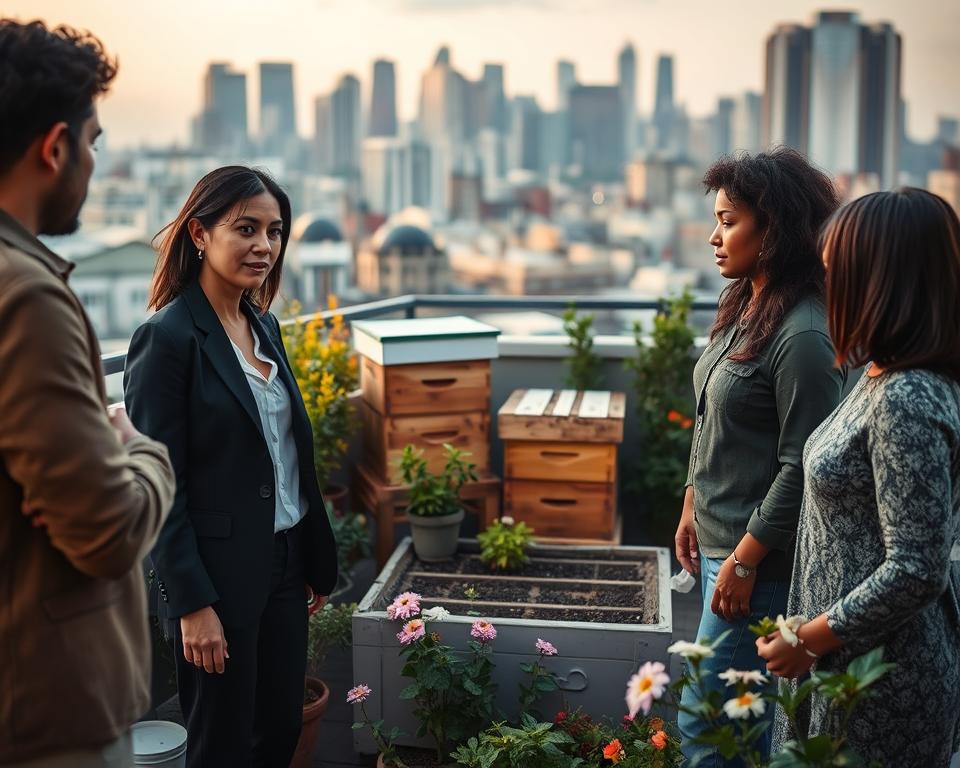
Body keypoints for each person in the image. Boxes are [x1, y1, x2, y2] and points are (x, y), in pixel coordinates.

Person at [0, 19, 176, 768]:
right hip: (44, 705)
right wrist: (138, 450)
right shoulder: (25, 295)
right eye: (95, 142)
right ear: (55, 146)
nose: (95, 164)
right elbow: (105, 530)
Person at [123, 165, 338, 768]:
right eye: (245, 228)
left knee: (276, 732)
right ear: (199, 233)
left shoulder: (263, 325)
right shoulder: (167, 339)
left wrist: (309, 554)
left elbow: (285, 451)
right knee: (221, 747)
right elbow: (161, 488)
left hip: (285, 565)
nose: (264, 246)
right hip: (216, 582)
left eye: (274, 231)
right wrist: (191, 605)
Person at [758, 188, 960, 765]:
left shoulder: (907, 396)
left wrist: (810, 639)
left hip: (879, 686)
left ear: (878, 281)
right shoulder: (882, 376)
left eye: (834, 272)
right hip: (845, 666)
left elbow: (917, 567)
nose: (826, 289)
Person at [676, 148, 845, 765]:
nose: (714, 237)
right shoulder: (747, 303)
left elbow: (804, 463)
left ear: (772, 229)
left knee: (711, 731)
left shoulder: (801, 334)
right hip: (724, 548)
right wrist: (694, 499)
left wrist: (745, 560)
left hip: (759, 567)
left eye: (729, 221)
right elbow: (712, 414)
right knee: (725, 724)